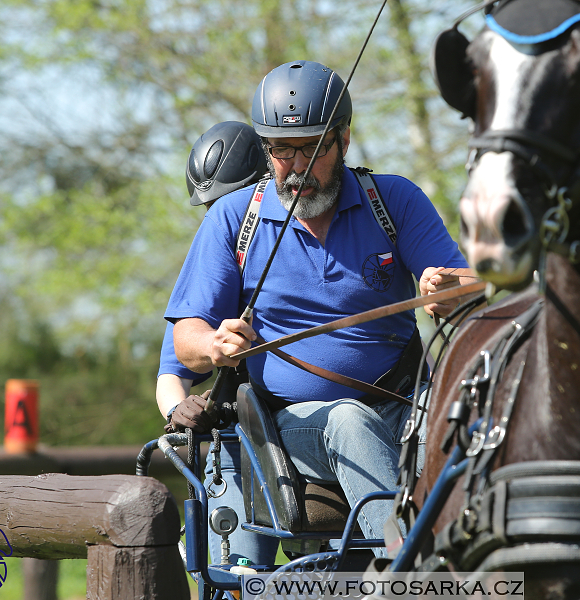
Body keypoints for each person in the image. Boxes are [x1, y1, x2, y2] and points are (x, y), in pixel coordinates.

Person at [165, 60, 476, 561]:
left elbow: (471, 286)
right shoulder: (232, 218)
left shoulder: (392, 199)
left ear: (344, 140)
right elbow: (186, 341)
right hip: (288, 424)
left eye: (314, 147)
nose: (298, 165)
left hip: (405, 410)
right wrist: (214, 344)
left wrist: (448, 290)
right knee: (349, 421)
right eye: (282, 150)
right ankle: (406, 573)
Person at [156, 121, 277, 563]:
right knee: (236, 575)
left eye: (230, 201)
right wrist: (176, 408)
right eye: (211, 206)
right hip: (240, 444)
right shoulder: (211, 260)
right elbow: (172, 369)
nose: (221, 216)